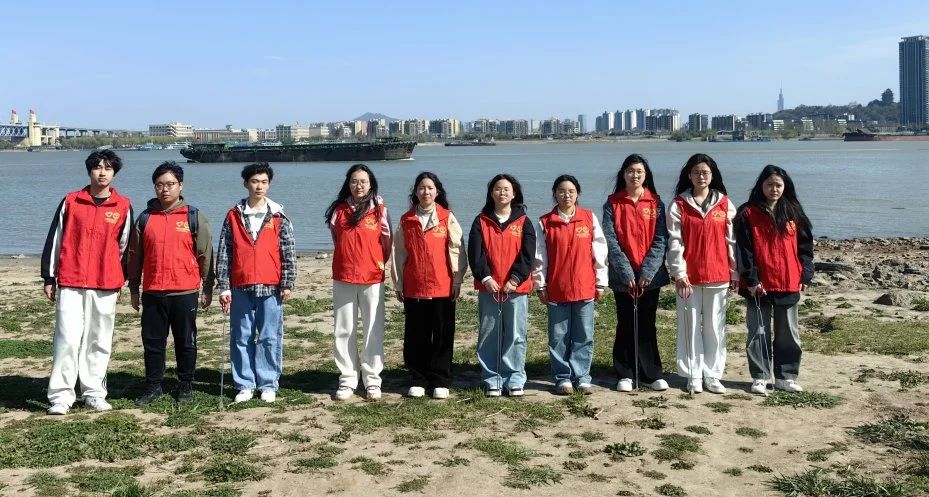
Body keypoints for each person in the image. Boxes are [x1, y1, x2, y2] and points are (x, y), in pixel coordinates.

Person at [41, 150, 133, 415]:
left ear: (114, 173)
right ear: (89, 171)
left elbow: (125, 247)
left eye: (108, 168)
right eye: (97, 167)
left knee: (99, 340)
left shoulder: (123, 205)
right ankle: (61, 396)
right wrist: (49, 277)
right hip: (71, 280)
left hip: (105, 283)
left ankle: (93, 393)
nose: (102, 172)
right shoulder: (71, 201)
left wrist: (120, 279)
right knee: (67, 339)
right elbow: (56, 239)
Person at [128, 161, 214, 405]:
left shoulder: (193, 216)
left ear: (180, 185)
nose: (164, 189)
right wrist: (134, 288)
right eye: (159, 185)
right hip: (153, 291)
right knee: (153, 343)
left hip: (184, 291)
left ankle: (185, 384)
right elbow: (135, 256)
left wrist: (207, 287)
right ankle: (153, 386)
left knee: (185, 342)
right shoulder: (145, 218)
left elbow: (205, 254)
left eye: (170, 184)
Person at [217, 163, 296, 404]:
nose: (259, 186)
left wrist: (287, 282)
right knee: (241, 336)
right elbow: (224, 252)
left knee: (269, 336)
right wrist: (224, 286)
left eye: (263, 182)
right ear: (246, 184)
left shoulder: (279, 216)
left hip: (270, 286)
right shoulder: (233, 215)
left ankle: (268, 383)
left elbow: (288, 251)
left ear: (269, 184)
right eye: (254, 181)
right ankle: (245, 384)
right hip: (240, 286)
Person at [735, 165, 813, 395]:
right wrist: (751, 279)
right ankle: (760, 377)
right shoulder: (748, 213)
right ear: (761, 186)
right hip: (758, 284)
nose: (774, 189)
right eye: (769, 185)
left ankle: (785, 377)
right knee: (758, 332)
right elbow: (744, 250)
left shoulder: (793, 212)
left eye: (778, 185)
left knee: (788, 333)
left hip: (788, 281)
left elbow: (805, 247)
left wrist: (806, 273)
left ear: (785, 186)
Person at [391, 172, 468, 400]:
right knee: (416, 335)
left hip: (442, 285)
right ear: (416, 192)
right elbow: (398, 253)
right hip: (414, 286)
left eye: (430, 188)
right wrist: (398, 283)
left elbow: (457, 248)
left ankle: (441, 379)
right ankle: (418, 379)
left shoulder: (447, 217)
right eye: (422, 188)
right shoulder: (406, 220)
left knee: (443, 334)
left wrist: (457, 279)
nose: (426, 192)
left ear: (437, 191)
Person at [666, 153, 737, 394]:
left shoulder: (725, 204)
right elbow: (675, 241)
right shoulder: (679, 204)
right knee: (690, 327)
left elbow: (732, 241)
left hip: (719, 275)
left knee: (716, 328)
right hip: (689, 278)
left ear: (712, 175)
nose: (701, 176)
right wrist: (679, 273)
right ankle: (693, 375)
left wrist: (734, 272)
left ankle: (713, 375)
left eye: (705, 172)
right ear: (689, 175)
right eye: (696, 172)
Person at [533, 175, 607, 395]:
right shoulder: (545, 222)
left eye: (571, 191)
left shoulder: (589, 218)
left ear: (578, 194)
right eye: (562, 191)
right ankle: (563, 378)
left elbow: (599, 252)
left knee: (584, 335)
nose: (566, 195)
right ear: (555, 194)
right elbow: (539, 257)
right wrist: (540, 285)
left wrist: (601, 283)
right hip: (557, 288)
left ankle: (582, 377)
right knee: (559, 337)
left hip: (584, 286)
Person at [602, 154, 671, 393]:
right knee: (625, 323)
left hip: (650, 278)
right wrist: (626, 272)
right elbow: (610, 240)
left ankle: (651, 373)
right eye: (631, 171)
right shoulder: (612, 203)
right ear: (623, 174)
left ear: (646, 175)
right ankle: (625, 373)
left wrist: (647, 272)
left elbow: (661, 239)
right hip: (623, 278)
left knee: (647, 324)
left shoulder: (656, 203)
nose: (635, 175)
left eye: (639, 171)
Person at [325, 164, 391, 401]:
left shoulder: (379, 209)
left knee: (373, 328)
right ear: (348, 183)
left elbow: (386, 242)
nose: (359, 185)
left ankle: (372, 379)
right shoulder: (339, 210)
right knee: (344, 329)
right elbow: (337, 239)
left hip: (371, 276)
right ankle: (348, 378)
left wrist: (375, 262)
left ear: (371, 183)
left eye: (363, 181)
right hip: (343, 275)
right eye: (354, 181)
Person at [468, 174, 535, 397]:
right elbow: (475, 253)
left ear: (514, 193)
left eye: (507, 189)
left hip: (516, 289)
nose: (502, 192)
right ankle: (492, 378)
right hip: (490, 288)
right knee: (489, 333)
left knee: (515, 333)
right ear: (491, 193)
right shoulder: (481, 221)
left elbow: (528, 254)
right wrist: (486, 278)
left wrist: (515, 279)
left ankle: (514, 377)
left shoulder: (523, 221)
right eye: (498, 188)